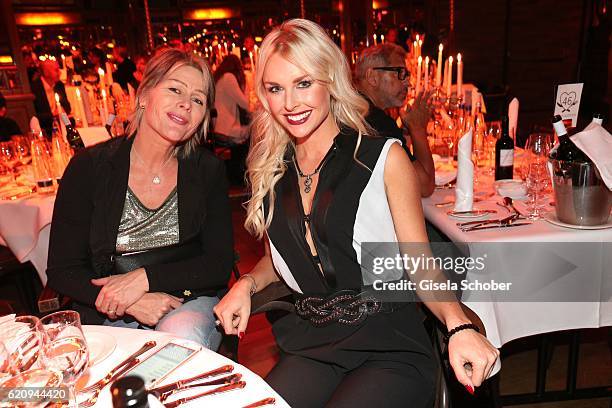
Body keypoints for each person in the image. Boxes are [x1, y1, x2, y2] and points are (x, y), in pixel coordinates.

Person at [214, 19, 499, 407]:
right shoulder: (272, 166)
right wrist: (245, 285)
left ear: (330, 79)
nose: (290, 104)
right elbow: (277, 259)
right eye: (275, 89)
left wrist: (458, 323)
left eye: (303, 83)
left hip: (386, 345)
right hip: (313, 343)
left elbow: (420, 263)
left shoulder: (383, 159)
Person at [47, 48, 234, 349]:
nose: (186, 104)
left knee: (176, 341)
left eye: (198, 99)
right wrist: (132, 301)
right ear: (144, 95)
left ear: (202, 117)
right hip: (105, 306)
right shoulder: (90, 167)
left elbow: (219, 263)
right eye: (175, 89)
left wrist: (145, 279)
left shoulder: (207, 170)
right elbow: (62, 269)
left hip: (185, 299)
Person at [355, 43, 435, 197]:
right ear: (372, 77)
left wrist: (405, 131)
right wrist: (417, 129)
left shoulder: (353, 109)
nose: (407, 83)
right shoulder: (375, 121)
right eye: (399, 73)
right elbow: (425, 186)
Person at [30, 59, 71, 138]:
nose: (59, 72)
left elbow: (67, 107)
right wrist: (53, 115)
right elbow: (34, 116)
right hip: (45, 128)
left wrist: (61, 112)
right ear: (46, 73)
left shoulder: (59, 85)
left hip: (61, 122)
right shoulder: (34, 88)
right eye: (56, 70)